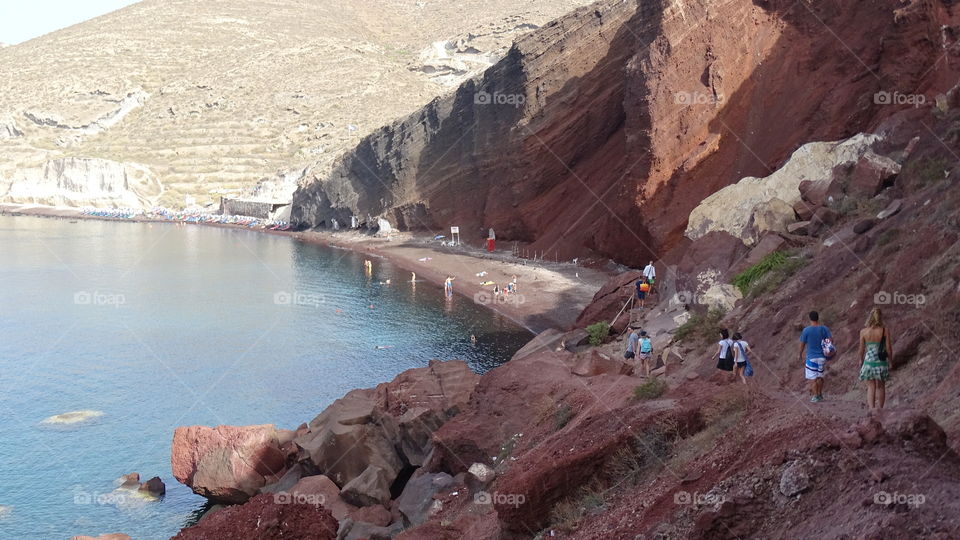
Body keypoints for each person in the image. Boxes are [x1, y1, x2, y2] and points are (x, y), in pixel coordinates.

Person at [859, 308, 893, 410]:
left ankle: (871, 410)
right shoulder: (884, 330)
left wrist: (860, 360)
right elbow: (889, 348)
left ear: (869, 317)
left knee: (870, 386)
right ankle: (880, 410)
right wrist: (890, 361)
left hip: (868, 362)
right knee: (881, 386)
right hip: (881, 362)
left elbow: (861, 349)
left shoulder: (863, 332)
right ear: (880, 317)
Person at [799, 311, 833, 402]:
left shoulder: (806, 330)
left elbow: (802, 344)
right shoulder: (824, 329)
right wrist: (827, 348)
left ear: (810, 318)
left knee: (813, 378)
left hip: (811, 357)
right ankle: (820, 394)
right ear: (818, 318)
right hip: (822, 357)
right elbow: (830, 340)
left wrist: (800, 354)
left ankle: (815, 396)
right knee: (820, 376)